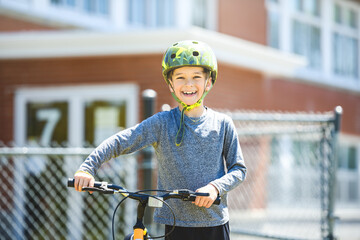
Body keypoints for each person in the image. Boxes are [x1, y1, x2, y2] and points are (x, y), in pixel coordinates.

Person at [74, 40, 247, 240]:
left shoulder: (223, 124)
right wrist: (88, 167)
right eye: (180, 77)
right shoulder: (162, 123)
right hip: (175, 224)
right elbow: (123, 140)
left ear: (208, 82)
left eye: (196, 77)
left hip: (214, 224)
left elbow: (239, 169)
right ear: (171, 85)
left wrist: (215, 188)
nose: (188, 84)